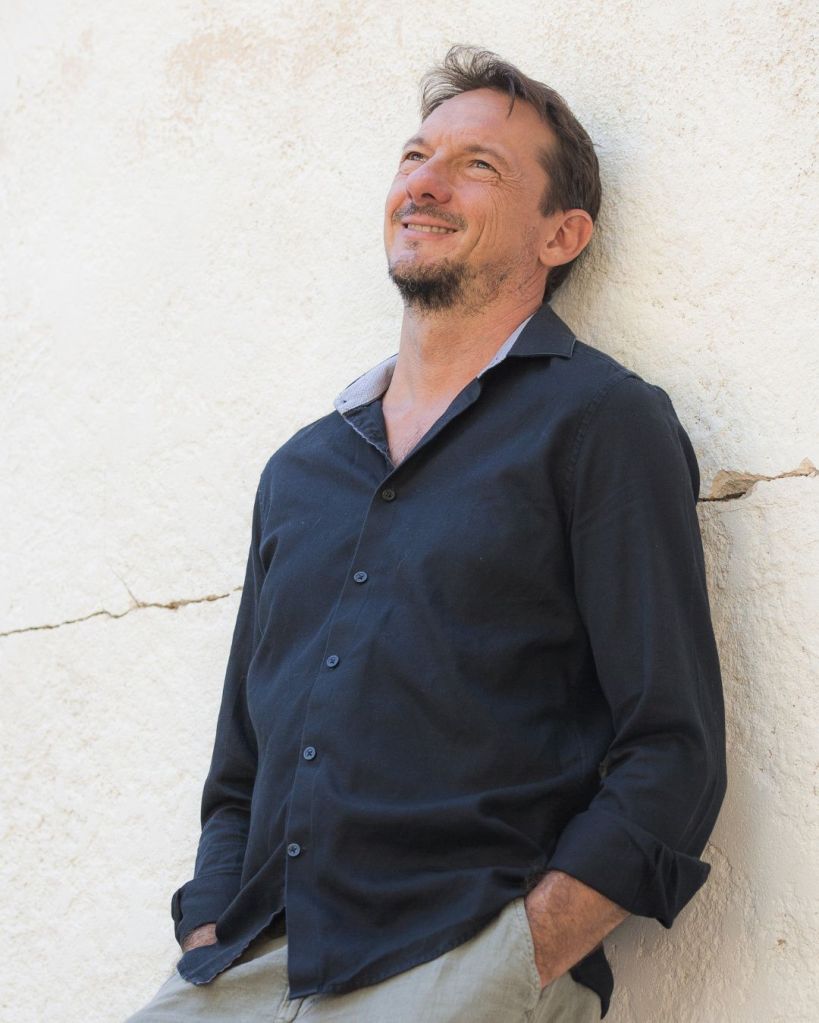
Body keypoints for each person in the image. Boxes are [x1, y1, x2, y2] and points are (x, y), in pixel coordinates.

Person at [127, 45, 726, 1023]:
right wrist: (206, 924)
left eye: (478, 165)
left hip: (456, 963)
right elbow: (240, 766)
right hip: (241, 971)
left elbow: (672, 746)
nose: (425, 183)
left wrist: (525, 955)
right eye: (415, 156)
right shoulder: (301, 471)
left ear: (562, 234)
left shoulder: (600, 423)